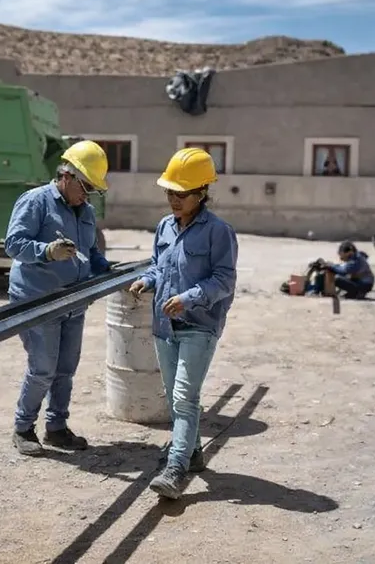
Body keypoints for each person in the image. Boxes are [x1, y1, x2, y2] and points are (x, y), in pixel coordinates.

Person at [128, 147, 238, 500]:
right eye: (169, 192)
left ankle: (174, 469)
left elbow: (224, 281)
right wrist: (148, 280)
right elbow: (159, 266)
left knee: (184, 398)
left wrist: (189, 298)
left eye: (181, 193)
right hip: (165, 326)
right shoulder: (164, 226)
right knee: (177, 400)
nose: (173, 199)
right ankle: (191, 452)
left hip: (199, 325)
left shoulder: (218, 232)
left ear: (201, 193)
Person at [4, 140, 112, 456]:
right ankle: (23, 428)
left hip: (73, 301)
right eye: (85, 186)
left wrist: (102, 267)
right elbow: (13, 244)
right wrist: (47, 252)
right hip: (37, 299)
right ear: (67, 174)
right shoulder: (36, 202)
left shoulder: (86, 211)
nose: (87, 194)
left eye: (93, 189)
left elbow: (90, 250)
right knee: (42, 369)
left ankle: (57, 427)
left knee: (65, 368)